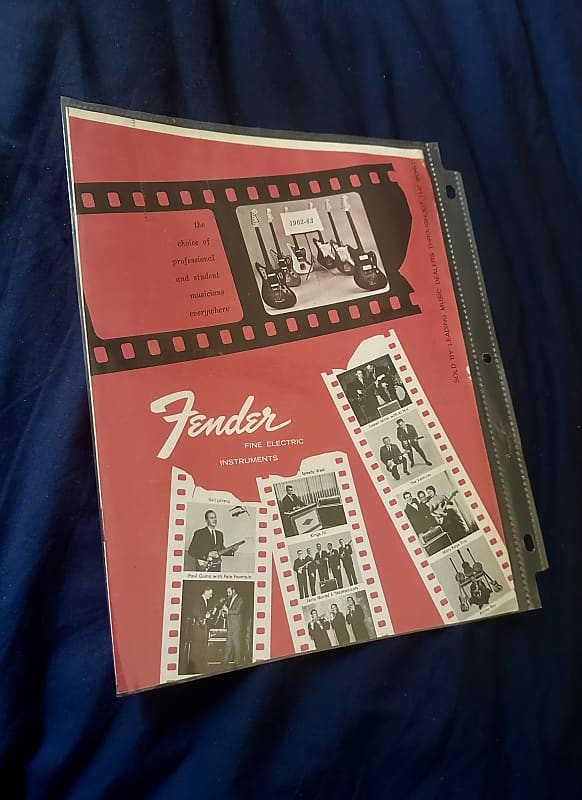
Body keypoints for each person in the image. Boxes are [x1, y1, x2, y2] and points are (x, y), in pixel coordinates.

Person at [188, 585, 214, 673]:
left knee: (202, 646)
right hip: (198, 628)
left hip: (202, 627)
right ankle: (193, 668)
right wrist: (204, 615)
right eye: (210, 594)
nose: (211, 596)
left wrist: (210, 615)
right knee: (197, 647)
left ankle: (199, 668)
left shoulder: (205, 601)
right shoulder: (198, 599)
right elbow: (195, 611)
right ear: (206, 591)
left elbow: (204, 613)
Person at [223, 586, 245, 668]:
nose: (228, 594)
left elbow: (237, 611)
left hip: (236, 626)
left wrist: (227, 610)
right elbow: (230, 612)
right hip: (230, 625)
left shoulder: (240, 599)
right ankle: (225, 661)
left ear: (234, 590)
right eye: (227, 592)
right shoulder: (230, 600)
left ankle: (238, 662)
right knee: (228, 643)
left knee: (236, 644)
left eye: (229, 592)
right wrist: (224, 613)